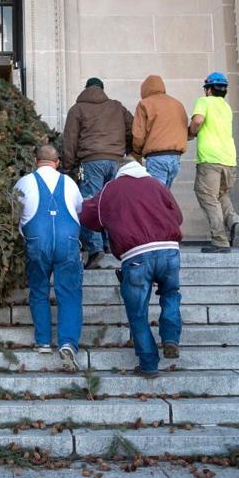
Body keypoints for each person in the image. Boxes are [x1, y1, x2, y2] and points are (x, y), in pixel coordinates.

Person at [78, 157, 182, 379]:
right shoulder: (156, 184)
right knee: (171, 294)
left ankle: (149, 365)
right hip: (170, 251)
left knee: (137, 313)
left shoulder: (112, 189)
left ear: (119, 171)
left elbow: (89, 217)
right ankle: (171, 337)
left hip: (136, 256)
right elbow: (178, 216)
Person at [14, 143, 84, 371]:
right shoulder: (70, 183)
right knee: (69, 293)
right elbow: (79, 209)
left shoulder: (24, 182)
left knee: (39, 290)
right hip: (67, 243)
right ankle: (68, 343)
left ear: (36, 161)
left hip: (37, 242)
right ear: (57, 163)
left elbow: (14, 210)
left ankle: (43, 341)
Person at [62, 77, 133, 269]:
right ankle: (111, 243)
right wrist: (125, 148)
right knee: (112, 204)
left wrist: (68, 166)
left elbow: (70, 139)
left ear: (85, 89)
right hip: (116, 161)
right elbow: (133, 128)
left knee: (90, 204)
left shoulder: (78, 109)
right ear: (103, 89)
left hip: (91, 161)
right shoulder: (117, 107)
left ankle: (95, 249)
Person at [189, 72, 239, 253]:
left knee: (207, 197)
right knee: (221, 195)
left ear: (209, 89)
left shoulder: (204, 102)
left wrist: (192, 132)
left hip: (210, 160)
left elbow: (197, 120)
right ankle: (233, 220)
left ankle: (220, 240)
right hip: (229, 160)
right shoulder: (226, 108)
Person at [132, 75, 189, 189]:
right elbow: (184, 127)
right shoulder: (177, 104)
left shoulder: (145, 104)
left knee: (155, 198)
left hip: (157, 157)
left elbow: (138, 134)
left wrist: (136, 153)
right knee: (164, 196)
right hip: (176, 158)